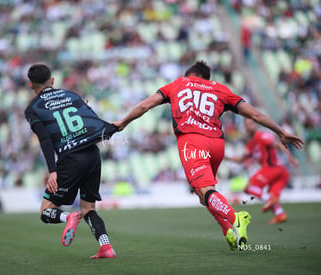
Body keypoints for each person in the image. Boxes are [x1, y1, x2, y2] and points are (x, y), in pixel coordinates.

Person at [113, 61, 304, 251]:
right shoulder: (220, 89)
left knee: (205, 190)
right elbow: (255, 115)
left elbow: (144, 107)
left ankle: (235, 218)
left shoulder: (177, 84)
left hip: (192, 142)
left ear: (189, 74)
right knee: (203, 194)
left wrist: (123, 122)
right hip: (217, 145)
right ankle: (227, 231)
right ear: (206, 78)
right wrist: (280, 132)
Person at [25, 64, 117, 259]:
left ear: (30, 85)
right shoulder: (73, 96)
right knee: (88, 208)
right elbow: (92, 120)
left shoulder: (33, 109)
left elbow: (45, 139)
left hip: (70, 159)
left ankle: (68, 217)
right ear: (52, 81)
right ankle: (106, 247)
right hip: (92, 154)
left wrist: (52, 170)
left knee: (45, 211)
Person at [225, 118, 299, 224]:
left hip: (273, 168)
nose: (249, 126)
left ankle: (269, 199)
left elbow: (277, 144)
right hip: (277, 172)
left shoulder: (261, 136)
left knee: (248, 187)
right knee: (271, 194)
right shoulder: (251, 144)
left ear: (255, 125)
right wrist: (225, 157)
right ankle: (280, 214)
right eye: (247, 125)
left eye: (251, 124)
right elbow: (241, 160)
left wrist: (291, 158)